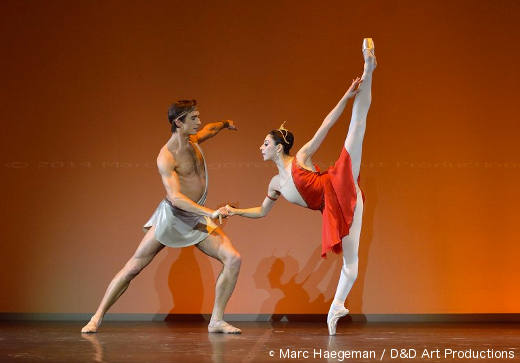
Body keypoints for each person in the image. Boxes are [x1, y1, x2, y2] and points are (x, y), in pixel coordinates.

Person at [225, 39, 376, 335]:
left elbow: (325, 125)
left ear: (279, 147)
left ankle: (369, 68)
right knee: (351, 266)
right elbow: (261, 212)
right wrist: (235, 210)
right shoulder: (275, 184)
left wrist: (346, 98)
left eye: (266, 143)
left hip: (337, 183)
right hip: (335, 210)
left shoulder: (301, 157)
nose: (261, 147)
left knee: (356, 128)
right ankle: (335, 309)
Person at [81, 100, 242, 334]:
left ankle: (216, 320)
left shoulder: (193, 140)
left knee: (233, 259)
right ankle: (96, 317)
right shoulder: (166, 157)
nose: (199, 122)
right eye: (194, 118)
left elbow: (211, 129)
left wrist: (226, 124)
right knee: (133, 267)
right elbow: (175, 197)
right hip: (173, 217)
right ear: (179, 122)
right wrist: (211, 212)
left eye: (198, 117)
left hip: (195, 217)